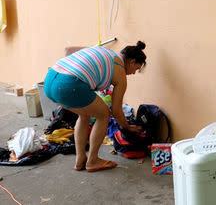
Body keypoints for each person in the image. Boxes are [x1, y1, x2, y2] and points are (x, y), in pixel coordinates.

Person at [43, 41, 147, 172]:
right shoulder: (119, 70)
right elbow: (116, 110)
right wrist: (128, 127)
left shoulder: (105, 52)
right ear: (132, 61)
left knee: (84, 114)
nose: (133, 73)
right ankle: (93, 161)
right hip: (68, 84)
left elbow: (71, 52)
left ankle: (80, 159)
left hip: (50, 81)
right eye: (136, 69)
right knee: (104, 115)